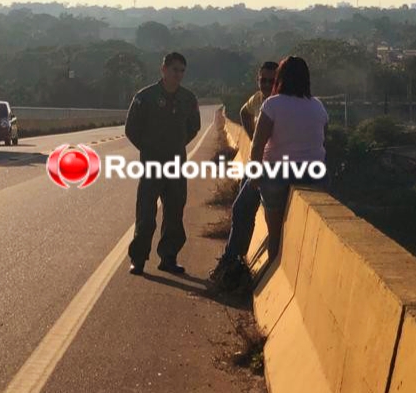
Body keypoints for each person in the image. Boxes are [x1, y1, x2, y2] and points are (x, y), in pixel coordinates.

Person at [125, 52, 201, 275]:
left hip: (176, 165)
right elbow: (131, 129)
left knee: (174, 214)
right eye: (174, 69)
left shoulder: (188, 98)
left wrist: (176, 146)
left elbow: (193, 127)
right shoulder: (145, 97)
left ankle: (168, 257)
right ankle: (138, 259)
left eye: (181, 71)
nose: (178, 75)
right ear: (163, 69)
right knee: (146, 215)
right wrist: (149, 148)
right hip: (151, 165)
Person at [250, 56, 328, 259]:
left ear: (280, 78)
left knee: (275, 233)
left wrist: (255, 175)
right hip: (313, 172)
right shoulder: (318, 105)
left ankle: (273, 264)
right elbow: (321, 139)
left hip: (277, 171)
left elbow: (257, 144)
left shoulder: (272, 105)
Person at [209, 62, 278, 291]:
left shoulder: (278, 102)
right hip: (259, 163)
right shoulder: (259, 99)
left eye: (271, 80)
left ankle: (231, 262)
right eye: (263, 80)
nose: (267, 85)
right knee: (241, 208)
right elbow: (244, 113)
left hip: (271, 166)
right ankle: (234, 259)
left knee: (242, 207)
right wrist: (252, 136)